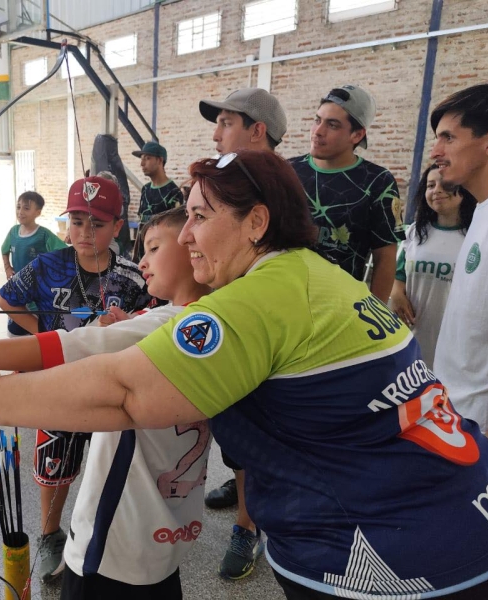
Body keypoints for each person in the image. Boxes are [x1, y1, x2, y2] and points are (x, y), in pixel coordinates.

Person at [0, 150, 488, 600]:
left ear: (257, 223)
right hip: (465, 512)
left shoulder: (253, 299)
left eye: (197, 217)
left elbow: (126, 394)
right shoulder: (316, 275)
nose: (185, 237)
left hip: (405, 556)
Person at [0, 207, 210, 598]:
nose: (142, 260)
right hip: (168, 530)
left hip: (114, 536)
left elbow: (70, 346)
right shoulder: (202, 321)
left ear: (192, 248)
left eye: (153, 247)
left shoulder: (165, 325)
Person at [0, 176, 151, 582]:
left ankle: (108, 528)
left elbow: (155, 317)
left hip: (112, 386)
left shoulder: (134, 276)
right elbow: (7, 297)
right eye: (77, 221)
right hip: (58, 383)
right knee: (54, 462)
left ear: (118, 226)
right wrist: (43, 337)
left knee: (113, 461)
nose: (84, 232)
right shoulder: (48, 264)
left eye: (96, 224)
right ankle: (49, 535)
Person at [197, 86, 288, 579]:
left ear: (258, 131)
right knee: (233, 423)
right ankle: (242, 491)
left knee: (261, 423)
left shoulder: (282, 190)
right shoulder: (224, 181)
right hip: (227, 314)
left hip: (270, 326)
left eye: (227, 123)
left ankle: (249, 528)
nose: (216, 134)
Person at [431, 83, 488, 447]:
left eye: (448, 138)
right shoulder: (484, 209)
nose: (436, 151)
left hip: (485, 434)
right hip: (457, 419)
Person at [290, 84, 404, 303]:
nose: (318, 131)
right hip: (282, 300)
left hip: (338, 309)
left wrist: (373, 315)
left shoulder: (378, 181)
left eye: (332, 125)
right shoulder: (287, 171)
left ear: (357, 134)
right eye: (317, 120)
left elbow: (385, 257)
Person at [389, 165, 476, 366]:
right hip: (412, 336)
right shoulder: (414, 233)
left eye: (445, 184)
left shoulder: (475, 236)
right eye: (430, 185)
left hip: (455, 341)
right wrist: (396, 294)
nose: (436, 190)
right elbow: (399, 276)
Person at [1, 191, 67, 337]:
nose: (20, 212)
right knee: (15, 328)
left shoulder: (43, 235)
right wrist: (7, 268)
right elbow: (4, 250)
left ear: (38, 212)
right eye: (18, 207)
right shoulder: (13, 232)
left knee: (38, 329)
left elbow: (63, 252)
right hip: (18, 287)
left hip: (39, 292)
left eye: (26, 208)